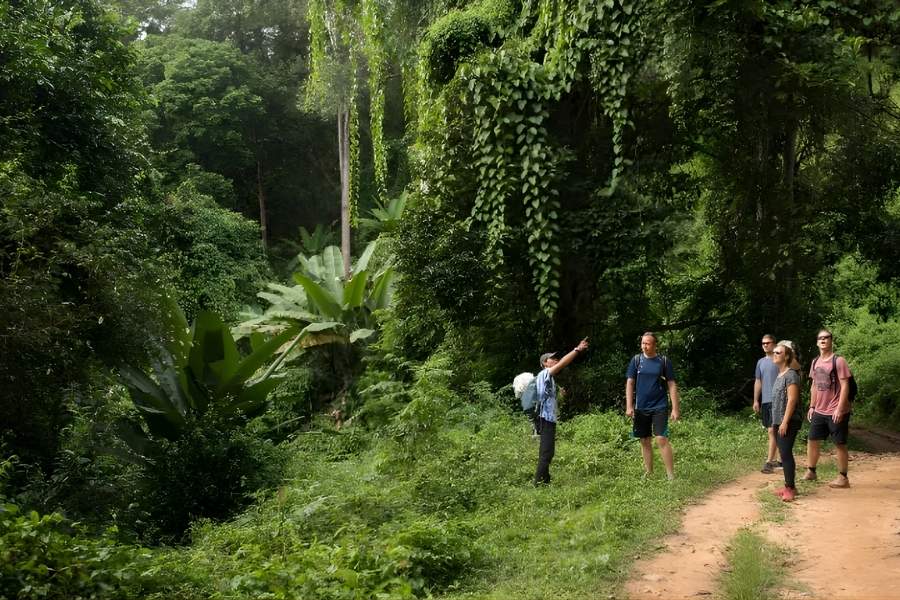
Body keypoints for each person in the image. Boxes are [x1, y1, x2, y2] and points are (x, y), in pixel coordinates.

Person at [534, 337, 589, 485]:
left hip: (548, 419)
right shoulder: (545, 373)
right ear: (545, 363)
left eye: (555, 358)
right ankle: (539, 483)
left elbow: (551, 402)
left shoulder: (550, 379)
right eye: (552, 359)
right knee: (546, 452)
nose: (556, 360)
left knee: (548, 451)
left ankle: (545, 480)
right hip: (544, 419)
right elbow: (563, 363)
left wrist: (561, 396)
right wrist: (577, 350)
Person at [625, 332, 681, 480]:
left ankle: (670, 475)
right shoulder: (636, 360)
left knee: (661, 438)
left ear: (655, 345)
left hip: (659, 406)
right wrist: (629, 406)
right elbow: (630, 383)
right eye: (643, 343)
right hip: (641, 407)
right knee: (644, 440)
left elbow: (671, 384)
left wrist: (675, 408)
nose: (644, 346)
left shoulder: (663, 361)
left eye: (648, 343)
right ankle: (649, 472)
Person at [804, 328, 853, 488]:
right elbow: (814, 385)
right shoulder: (815, 362)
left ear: (831, 340)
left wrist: (840, 408)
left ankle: (843, 478)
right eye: (820, 338)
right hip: (819, 409)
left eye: (826, 337)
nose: (823, 340)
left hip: (836, 410)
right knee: (812, 440)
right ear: (817, 342)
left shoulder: (839, 361)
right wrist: (812, 406)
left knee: (839, 443)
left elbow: (845, 385)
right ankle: (811, 471)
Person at [770, 341, 803, 501]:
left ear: (787, 357)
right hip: (778, 420)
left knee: (785, 453)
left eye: (778, 352)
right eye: (774, 352)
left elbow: (792, 400)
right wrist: (776, 422)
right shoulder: (779, 375)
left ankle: (790, 488)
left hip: (789, 421)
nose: (774, 354)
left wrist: (785, 422)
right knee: (783, 454)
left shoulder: (791, 375)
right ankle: (789, 486)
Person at [753, 334, 780, 473]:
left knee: (772, 430)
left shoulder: (780, 359)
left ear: (774, 343)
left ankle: (769, 462)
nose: (765, 345)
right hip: (766, 400)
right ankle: (780, 460)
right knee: (773, 431)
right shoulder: (760, 362)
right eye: (763, 343)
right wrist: (756, 400)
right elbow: (758, 381)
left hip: (779, 400)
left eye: (767, 343)